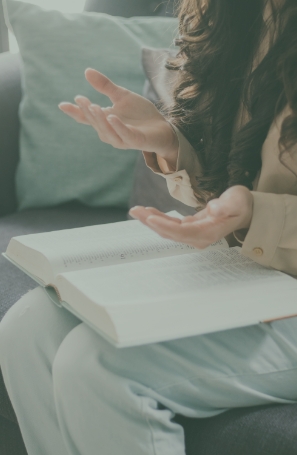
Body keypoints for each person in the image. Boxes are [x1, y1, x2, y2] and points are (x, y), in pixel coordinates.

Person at [1, 0, 297, 454]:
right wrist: (168, 141)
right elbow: (234, 171)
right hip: (257, 271)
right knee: (26, 329)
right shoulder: (235, 15)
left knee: (98, 368)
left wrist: (260, 215)